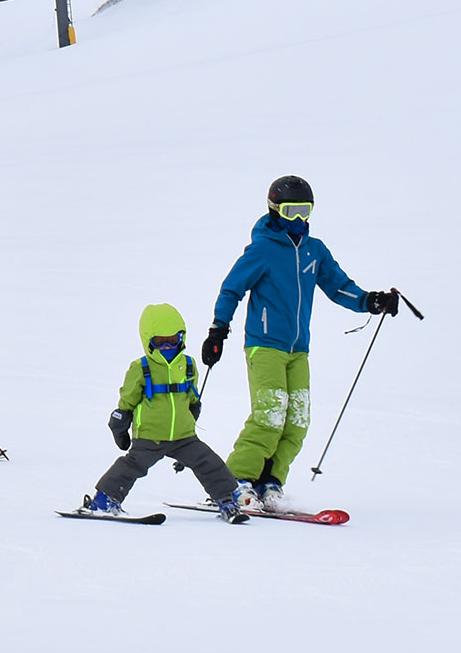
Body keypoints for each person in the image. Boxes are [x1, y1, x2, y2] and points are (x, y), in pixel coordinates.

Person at [204, 175, 401, 510]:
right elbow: (231, 288)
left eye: (304, 210)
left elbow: (338, 286)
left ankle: (270, 482)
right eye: (291, 210)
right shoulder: (263, 249)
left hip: (299, 349)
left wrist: (371, 301)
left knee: (297, 419)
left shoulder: (315, 250)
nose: (298, 219)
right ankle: (236, 481)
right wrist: (218, 329)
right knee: (269, 415)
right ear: (274, 209)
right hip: (265, 344)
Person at [78, 304, 248, 519]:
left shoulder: (188, 364)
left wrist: (193, 411)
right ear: (148, 341)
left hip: (184, 436)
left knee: (209, 462)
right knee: (131, 467)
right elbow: (127, 400)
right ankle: (103, 500)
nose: (167, 346)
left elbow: (192, 396)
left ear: (181, 338)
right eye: (160, 342)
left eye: (173, 340)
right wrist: (120, 424)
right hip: (150, 436)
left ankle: (226, 500)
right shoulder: (141, 367)